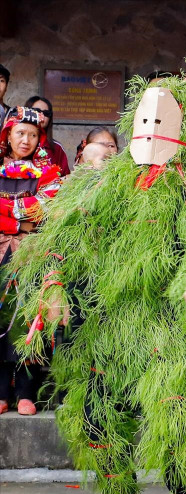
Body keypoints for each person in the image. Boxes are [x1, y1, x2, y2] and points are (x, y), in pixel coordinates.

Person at [12, 50, 186, 494]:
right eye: (144, 116)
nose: (150, 127)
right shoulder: (102, 184)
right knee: (93, 420)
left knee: (172, 429)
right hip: (102, 330)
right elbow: (58, 243)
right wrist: (53, 287)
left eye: (162, 118)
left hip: (165, 328)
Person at [0, 107, 63, 415]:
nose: (26, 140)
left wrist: (7, 212)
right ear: (7, 134)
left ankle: (27, 392)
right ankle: (1, 393)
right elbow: (30, 211)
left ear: (41, 138)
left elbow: (46, 208)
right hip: (2, 252)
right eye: (20, 133)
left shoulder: (49, 172)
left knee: (29, 319)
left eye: (33, 134)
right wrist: (17, 224)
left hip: (32, 255)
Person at [23, 96, 71, 176]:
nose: (42, 115)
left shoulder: (56, 148)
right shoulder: (14, 142)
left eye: (46, 113)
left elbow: (65, 178)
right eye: (37, 111)